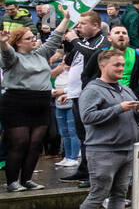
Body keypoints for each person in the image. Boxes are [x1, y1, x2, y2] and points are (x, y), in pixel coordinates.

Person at [67, 48, 139, 209]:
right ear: (103, 66)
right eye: (116, 65)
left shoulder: (125, 89)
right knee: (97, 194)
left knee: (119, 195)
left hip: (127, 149)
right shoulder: (92, 89)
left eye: (122, 65)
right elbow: (88, 118)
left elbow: (133, 118)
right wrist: (120, 108)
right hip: (103, 151)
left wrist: (138, 111)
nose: (121, 68)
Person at [0, 13, 72, 190]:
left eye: (34, 37)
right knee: (19, 143)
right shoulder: (13, 58)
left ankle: (26, 179)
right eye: (29, 38)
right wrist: (3, 42)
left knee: (35, 145)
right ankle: (12, 181)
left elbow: (54, 39)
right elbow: (7, 54)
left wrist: (66, 19)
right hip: (17, 103)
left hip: (40, 103)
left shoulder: (40, 54)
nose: (34, 40)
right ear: (18, 42)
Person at [58, 10, 108, 182]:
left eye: (83, 23)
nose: (78, 26)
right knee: (82, 135)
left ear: (95, 25)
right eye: (78, 23)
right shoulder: (83, 42)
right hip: (75, 94)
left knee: (91, 135)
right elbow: (69, 61)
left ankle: (93, 173)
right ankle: (84, 169)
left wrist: (75, 40)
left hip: (90, 94)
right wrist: (70, 43)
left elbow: (93, 53)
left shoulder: (101, 39)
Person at [51, 49, 79, 167]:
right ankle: (67, 156)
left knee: (73, 131)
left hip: (71, 102)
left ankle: (74, 157)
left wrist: (64, 92)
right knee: (64, 132)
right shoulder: (59, 73)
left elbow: (77, 86)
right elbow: (49, 80)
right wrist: (54, 92)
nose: (65, 63)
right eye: (63, 61)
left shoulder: (75, 73)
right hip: (59, 103)